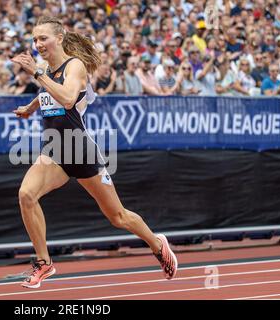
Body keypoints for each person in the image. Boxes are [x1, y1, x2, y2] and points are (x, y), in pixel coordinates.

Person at [11, 16, 177, 289]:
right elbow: (48, 93)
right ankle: (44, 263)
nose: (38, 44)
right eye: (35, 39)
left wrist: (37, 74)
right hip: (55, 151)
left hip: (80, 150)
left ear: (60, 38)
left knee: (117, 217)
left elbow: (66, 98)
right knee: (26, 195)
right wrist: (30, 108)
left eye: (43, 38)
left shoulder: (75, 66)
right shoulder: (49, 70)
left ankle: (157, 244)